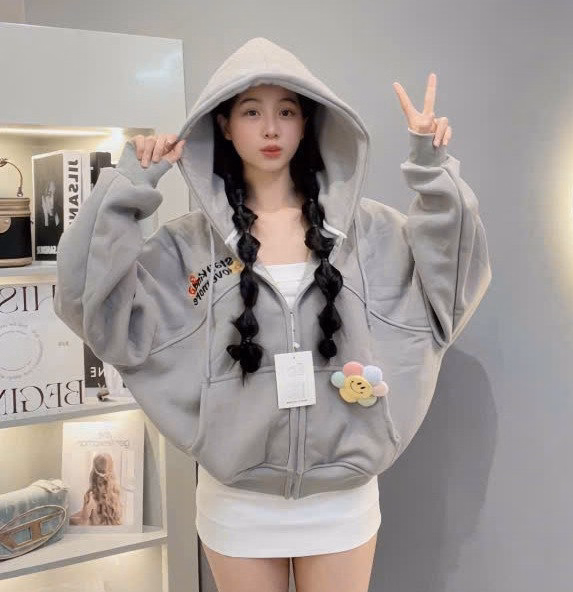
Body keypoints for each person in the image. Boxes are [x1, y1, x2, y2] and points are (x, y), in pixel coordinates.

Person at [54, 37, 491, 592]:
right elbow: (89, 303)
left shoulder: (370, 232)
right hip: (237, 503)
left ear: (307, 124)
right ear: (224, 125)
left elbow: (452, 287)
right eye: (251, 112)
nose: (270, 129)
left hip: (342, 502)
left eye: (286, 111)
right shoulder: (188, 248)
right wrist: (128, 189)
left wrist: (433, 172)